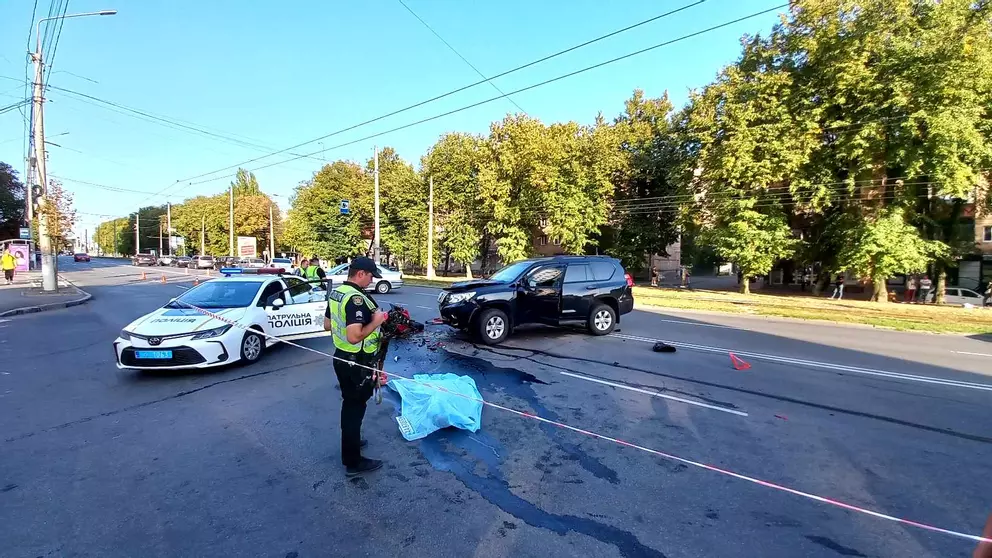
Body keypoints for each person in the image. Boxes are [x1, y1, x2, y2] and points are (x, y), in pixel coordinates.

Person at [323, 257, 388, 477]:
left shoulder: (338, 293)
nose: (371, 281)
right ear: (360, 273)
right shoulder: (355, 300)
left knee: (350, 403)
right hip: (355, 361)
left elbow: (328, 324)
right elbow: (354, 336)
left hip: (342, 358)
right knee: (355, 406)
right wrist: (376, 322)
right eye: (371, 276)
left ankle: (352, 442)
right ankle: (353, 461)